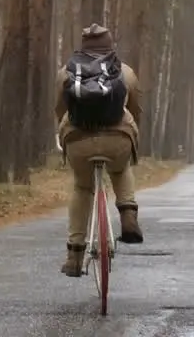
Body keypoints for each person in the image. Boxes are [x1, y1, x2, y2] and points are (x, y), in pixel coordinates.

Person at [54, 23, 145, 277]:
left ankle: (74, 256)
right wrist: (132, 132)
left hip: (78, 140)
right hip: (118, 138)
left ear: (83, 45)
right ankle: (128, 214)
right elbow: (136, 109)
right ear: (110, 44)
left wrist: (65, 134)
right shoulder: (124, 71)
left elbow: (60, 110)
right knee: (120, 169)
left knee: (82, 188)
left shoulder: (67, 71)